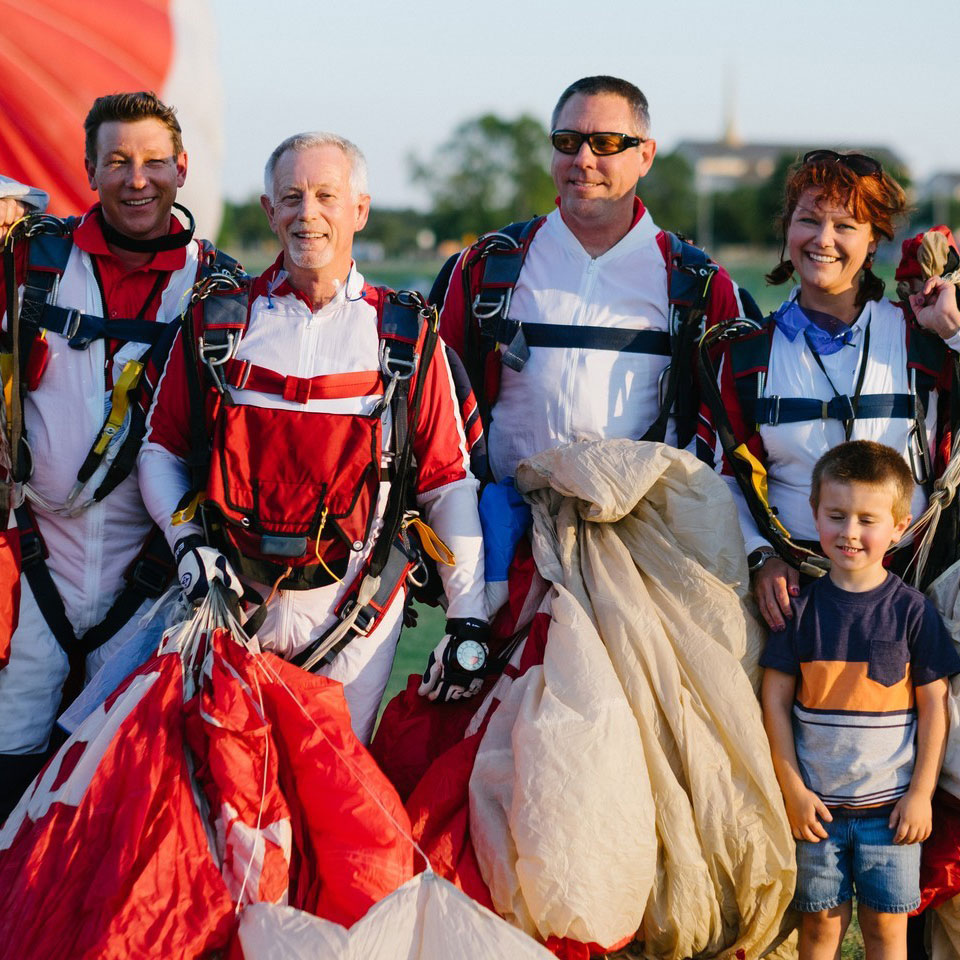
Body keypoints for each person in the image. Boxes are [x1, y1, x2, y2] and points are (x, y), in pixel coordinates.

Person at [139, 132, 488, 743]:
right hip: (230, 611)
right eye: (291, 196)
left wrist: (468, 617)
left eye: (327, 195)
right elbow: (160, 450)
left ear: (360, 210)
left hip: (358, 620)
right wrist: (187, 544)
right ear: (269, 209)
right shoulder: (217, 320)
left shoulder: (404, 334)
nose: (308, 213)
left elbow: (446, 482)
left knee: (335, 801)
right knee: (226, 805)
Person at [426, 75, 759, 688]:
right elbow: (434, 412)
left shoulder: (698, 286)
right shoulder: (486, 268)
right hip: (506, 553)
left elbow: (733, 436)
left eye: (607, 142)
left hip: (639, 560)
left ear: (645, 155)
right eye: (568, 140)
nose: (584, 160)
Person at [0, 91, 236, 821]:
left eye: (155, 162)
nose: (138, 179)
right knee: (9, 761)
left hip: (155, 576)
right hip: (36, 564)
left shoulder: (220, 287)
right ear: (89, 171)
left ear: (183, 169)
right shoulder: (30, 262)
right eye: (118, 162)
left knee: (118, 788)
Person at [697, 150, 960, 631]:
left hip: (915, 590)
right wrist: (759, 557)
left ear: (875, 239)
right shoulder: (744, 357)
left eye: (846, 225)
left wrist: (954, 332)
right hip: (794, 600)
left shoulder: (922, 337)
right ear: (787, 229)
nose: (823, 240)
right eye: (809, 220)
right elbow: (723, 479)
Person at [760, 440, 960, 959]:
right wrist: (793, 790)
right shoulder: (800, 612)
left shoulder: (913, 613)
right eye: (837, 515)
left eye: (867, 520)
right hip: (817, 811)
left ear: (899, 526)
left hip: (891, 813)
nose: (850, 532)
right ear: (814, 514)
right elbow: (775, 701)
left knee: (885, 932)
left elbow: (936, 707)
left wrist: (921, 794)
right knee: (821, 929)